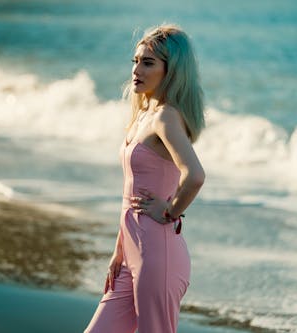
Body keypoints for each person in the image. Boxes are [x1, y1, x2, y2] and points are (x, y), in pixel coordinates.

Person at [84, 24, 206, 333]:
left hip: (158, 255)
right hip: (130, 254)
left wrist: (169, 211)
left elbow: (195, 175)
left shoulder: (166, 117)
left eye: (148, 62)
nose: (137, 69)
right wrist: (118, 252)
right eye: (136, 61)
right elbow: (131, 194)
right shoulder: (143, 116)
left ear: (172, 70)